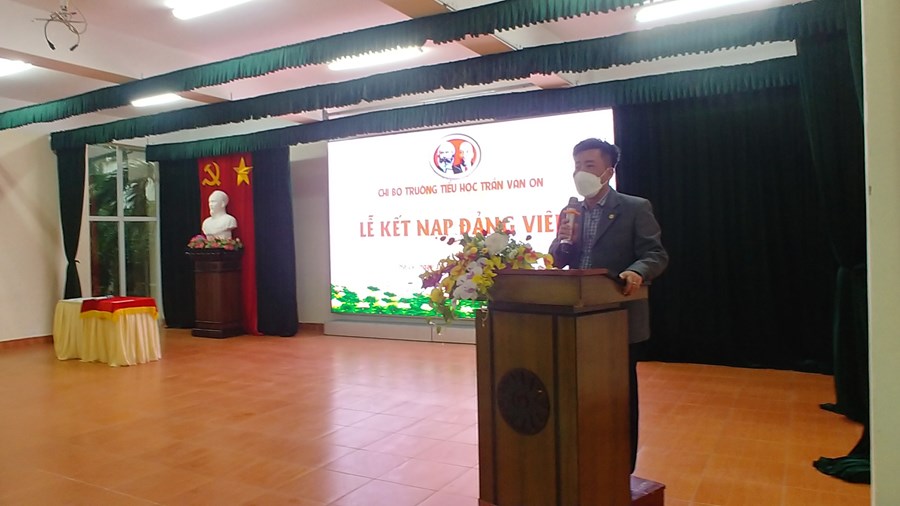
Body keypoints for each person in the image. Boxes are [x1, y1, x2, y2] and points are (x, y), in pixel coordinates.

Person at [549, 138, 668, 473]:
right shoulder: (570, 211)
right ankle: (584, 459)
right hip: (577, 316)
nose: (581, 172)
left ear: (608, 172)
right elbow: (558, 260)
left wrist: (637, 272)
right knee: (579, 392)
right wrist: (564, 241)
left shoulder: (634, 207)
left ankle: (621, 467)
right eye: (577, 165)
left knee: (619, 395)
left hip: (618, 317)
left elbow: (655, 254)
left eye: (589, 165)